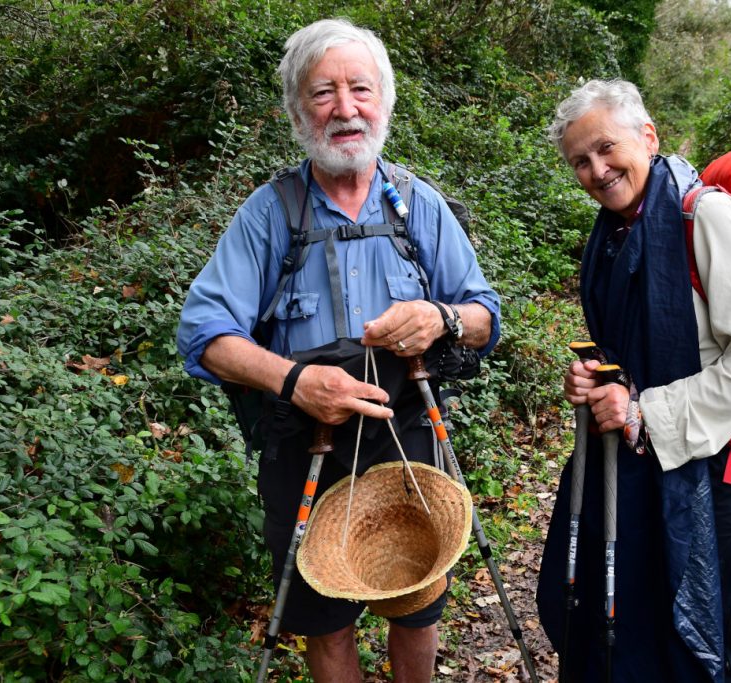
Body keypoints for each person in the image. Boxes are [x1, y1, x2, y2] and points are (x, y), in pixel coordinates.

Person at [177, 18, 499, 683]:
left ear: (385, 100)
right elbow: (203, 335)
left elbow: (485, 316)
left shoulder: (418, 205)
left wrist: (440, 316)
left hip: (409, 432)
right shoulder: (271, 215)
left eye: (360, 88)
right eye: (323, 93)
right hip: (304, 446)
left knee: (417, 606)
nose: (345, 108)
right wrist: (293, 378)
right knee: (324, 619)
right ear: (296, 111)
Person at [535, 79, 731, 682]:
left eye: (605, 148)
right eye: (580, 162)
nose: (597, 170)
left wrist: (643, 411)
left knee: (703, 637)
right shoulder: (616, 232)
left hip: (718, 473)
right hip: (641, 463)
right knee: (636, 625)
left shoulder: (708, 218)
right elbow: (631, 345)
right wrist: (595, 378)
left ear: (647, 136)